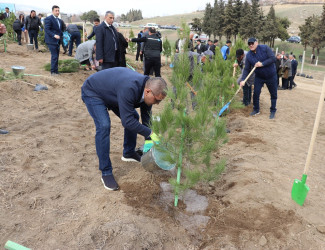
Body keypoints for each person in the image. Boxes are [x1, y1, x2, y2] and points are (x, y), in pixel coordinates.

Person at [81, 67, 167, 190]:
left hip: (113, 93)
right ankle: (106, 172)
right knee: (104, 125)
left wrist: (149, 139)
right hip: (93, 92)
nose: (157, 104)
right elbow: (127, 122)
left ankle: (129, 153)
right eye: (157, 100)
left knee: (133, 116)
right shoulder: (130, 88)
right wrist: (151, 133)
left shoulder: (147, 91)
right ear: (147, 92)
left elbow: (146, 118)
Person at [240, 38, 277, 119]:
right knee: (256, 93)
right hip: (259, 77)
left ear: (256, 43)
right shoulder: (249, 55)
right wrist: (243, 80)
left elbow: (273, 59)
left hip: (271, 75)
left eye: (252, 43)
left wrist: (262, 64)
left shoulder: (265, 48)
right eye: (249, 44)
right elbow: (246, 69)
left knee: (273, 94)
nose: (251, 45)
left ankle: (273, 110)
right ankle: (256, 109)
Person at [44, 5, 64, 76]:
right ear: (52, 11)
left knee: (57, 56)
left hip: (57, 41)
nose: (57, 12)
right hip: (51, 40)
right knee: (54, 56)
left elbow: (59, 30)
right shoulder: (48, 19)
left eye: (58, 10)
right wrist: (54, 35)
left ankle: (56, 71)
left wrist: (64, 35)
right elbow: (47, 29)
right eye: (56, 10)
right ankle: (53, 72)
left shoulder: (59, 20)